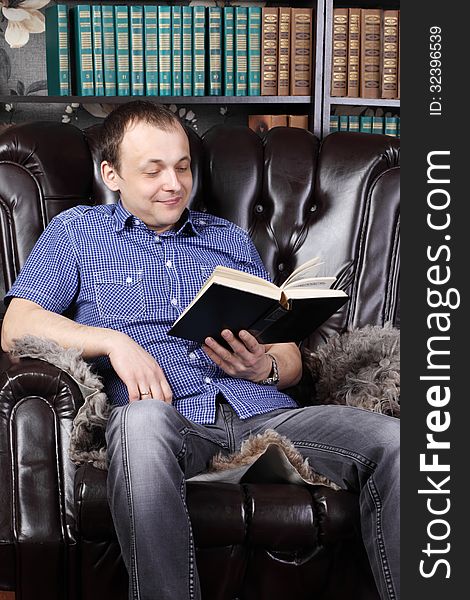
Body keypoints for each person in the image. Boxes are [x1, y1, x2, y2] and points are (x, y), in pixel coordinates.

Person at [1, 101, 399, 600]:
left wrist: (268, 365)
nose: (174, 183)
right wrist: (114, 341)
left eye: (183, 166)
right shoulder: (77, 232)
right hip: (167, 421)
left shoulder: (228, 238)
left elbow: (290, 353)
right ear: (112, 174)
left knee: (401, 442)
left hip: (261, 417)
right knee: (141, 421)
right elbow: (17, 326)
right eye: (153, 170)